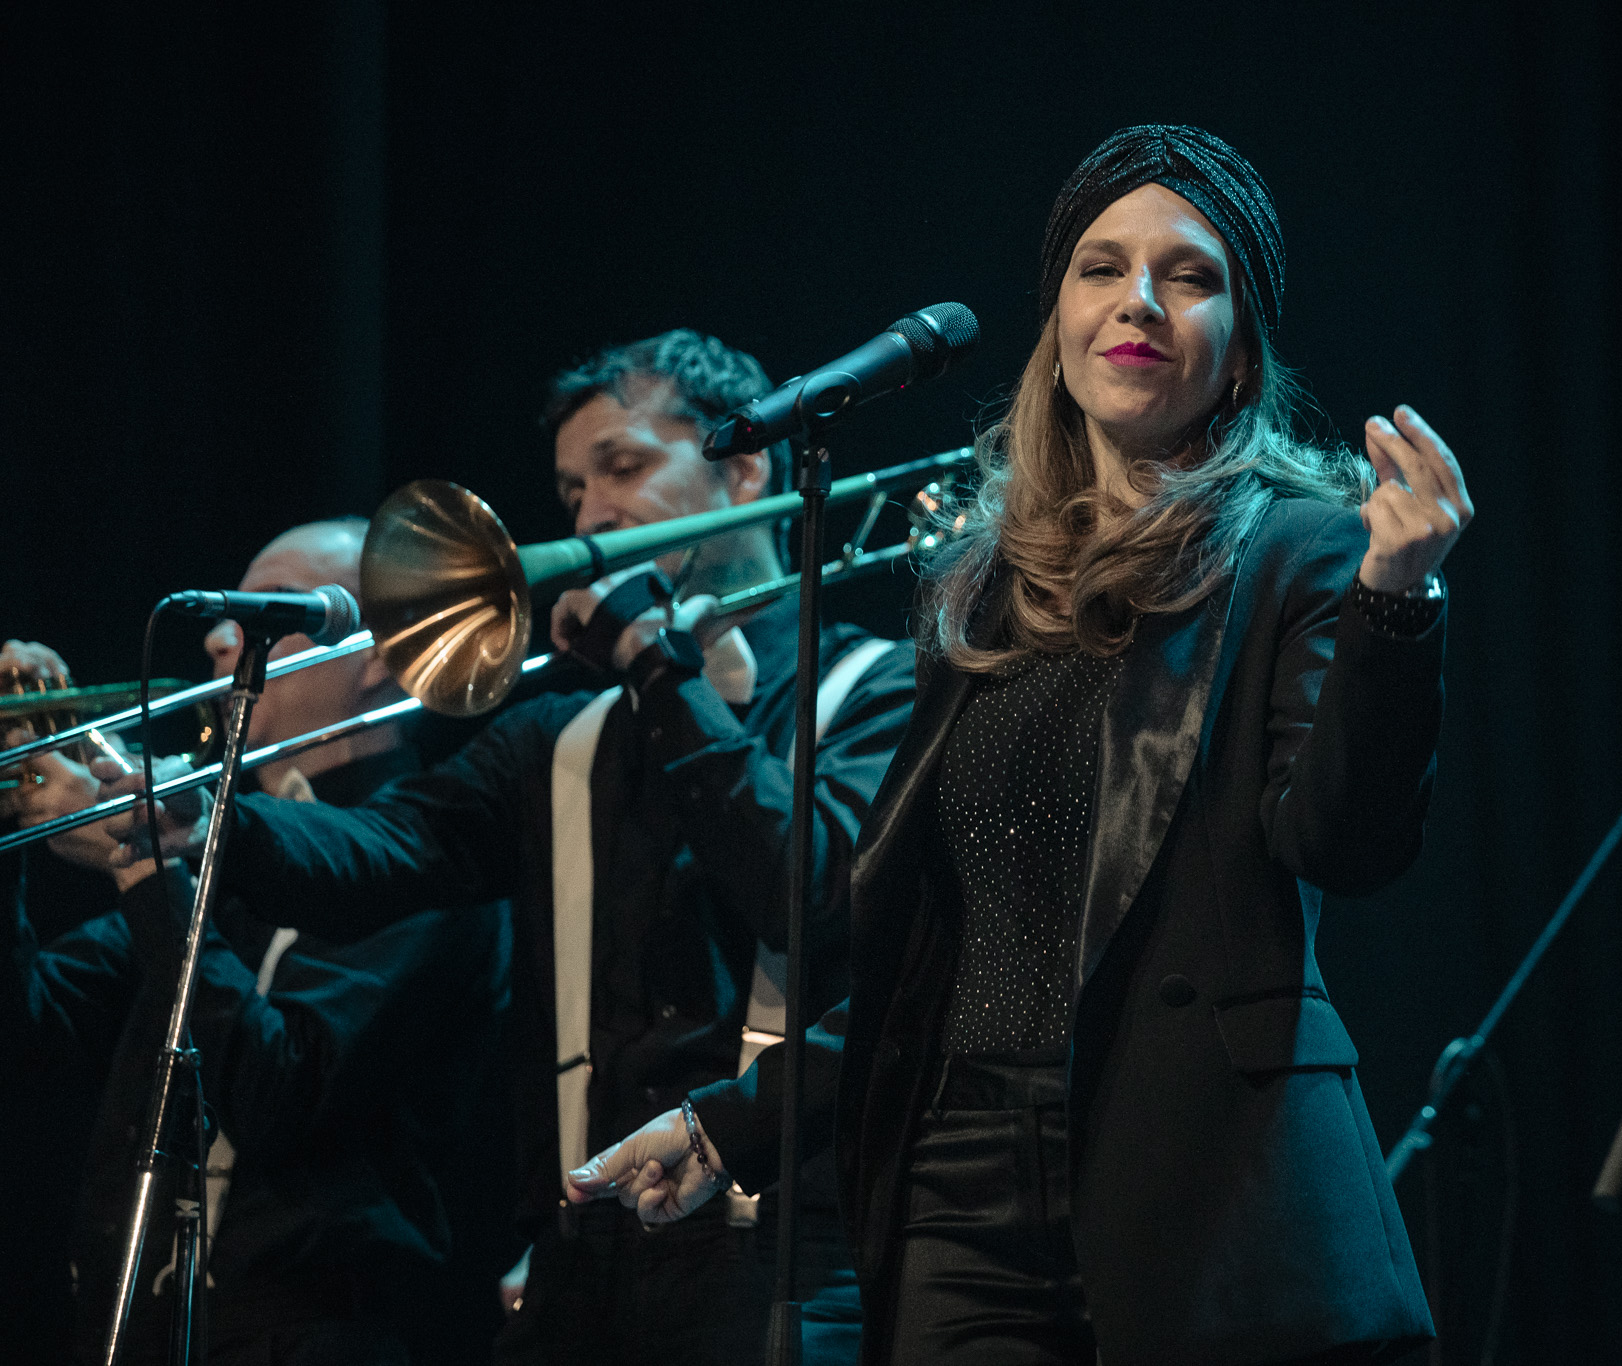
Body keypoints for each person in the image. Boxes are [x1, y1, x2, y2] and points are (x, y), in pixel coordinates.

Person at [569, 125, 1475, 1365]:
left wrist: (1394, 604)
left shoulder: (1302, 551)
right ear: (1057, 326)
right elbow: (946, 954)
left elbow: (1342, 841)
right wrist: (735, 1122)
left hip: (1205, 1181)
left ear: (1239, 350)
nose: (1138, 299)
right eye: (1100, 268)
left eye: (1188, 276)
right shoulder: (985, 586)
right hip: (958, 1188)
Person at [105, 330, 915, 1365]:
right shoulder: (556, 736)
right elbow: (380, 850)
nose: (590, 515)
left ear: (747, 470)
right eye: (573, 489)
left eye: (623, 466)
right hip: (581, 1260)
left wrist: (656, 665)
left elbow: (812, 895)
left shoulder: (880, 689)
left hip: (782, 1261)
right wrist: (203, 819)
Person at [0, 519, 518, 1365]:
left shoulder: (423, 869)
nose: (218, 635)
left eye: (272, 608)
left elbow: (278, 1093)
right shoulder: (216, 854)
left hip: (308, 1334)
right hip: (138, 1327)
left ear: (381, 654)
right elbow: (30, 1033)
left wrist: (143, 867)